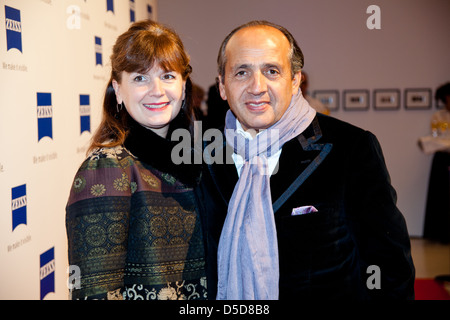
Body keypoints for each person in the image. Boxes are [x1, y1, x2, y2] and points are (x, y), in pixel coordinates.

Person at [196, 20, 415, 300]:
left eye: (271, 71)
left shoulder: (350, 147)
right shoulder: (200, 151)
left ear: (295, 80)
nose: (256, 87)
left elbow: (388, 263)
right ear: (223, 86)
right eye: (241, 72)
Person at [66, 20, 207, 300]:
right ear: (118, 89)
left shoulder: (199, 159)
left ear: (183, 86)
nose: (157, 90)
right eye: (140, 78)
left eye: (167, 76)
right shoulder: (107, 168)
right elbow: (94, 292)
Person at [423, 82, 450, 244]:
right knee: (441, 195)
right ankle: (440, 233)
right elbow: (436, 138)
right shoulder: (438, 117)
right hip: (442, 158)